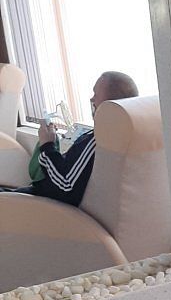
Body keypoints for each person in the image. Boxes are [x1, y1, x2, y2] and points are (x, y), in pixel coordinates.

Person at [1, 70, 138, 206]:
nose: (92, 100)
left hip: (45, 206)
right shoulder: (128, 137)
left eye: (95, 95)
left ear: (109, 104)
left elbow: (65, 185)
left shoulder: (99, 141)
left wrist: (47, 145)